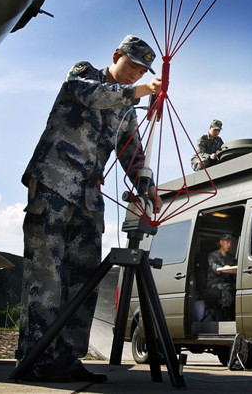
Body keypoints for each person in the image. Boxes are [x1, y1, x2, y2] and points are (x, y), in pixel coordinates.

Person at [15, 35, 162, 384]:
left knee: (83, 279)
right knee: (46, 274)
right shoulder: (84, 74)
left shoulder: (125, 111)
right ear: (116, 56)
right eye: (132, 67)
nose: (135, 75)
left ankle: (66, 359)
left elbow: (131, 151)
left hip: (87, 199)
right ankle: (35, 357)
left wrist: (149, 187)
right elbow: (94, 97)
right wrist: (143, 91)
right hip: (53, 184)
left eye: (142, 71)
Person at [204, 233, 238, 319]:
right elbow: (214, 267)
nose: (229, 245)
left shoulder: (231, 257)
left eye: (230, 243)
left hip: (227, 281)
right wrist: (223, 268)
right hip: (215, 282)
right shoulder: (213, 255)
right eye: (227, 242)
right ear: (221, 242)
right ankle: (226, 314)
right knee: (228, 288)